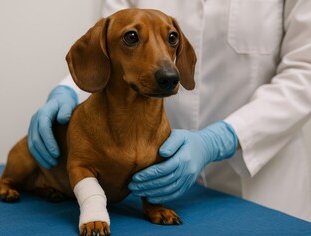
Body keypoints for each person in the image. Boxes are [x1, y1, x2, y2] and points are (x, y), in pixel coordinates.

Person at [27, 0, 311, 221]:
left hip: (261, 184)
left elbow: (305, 70)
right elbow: (107, 48)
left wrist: (220, 139)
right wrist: (67, 91)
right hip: (151, 173)